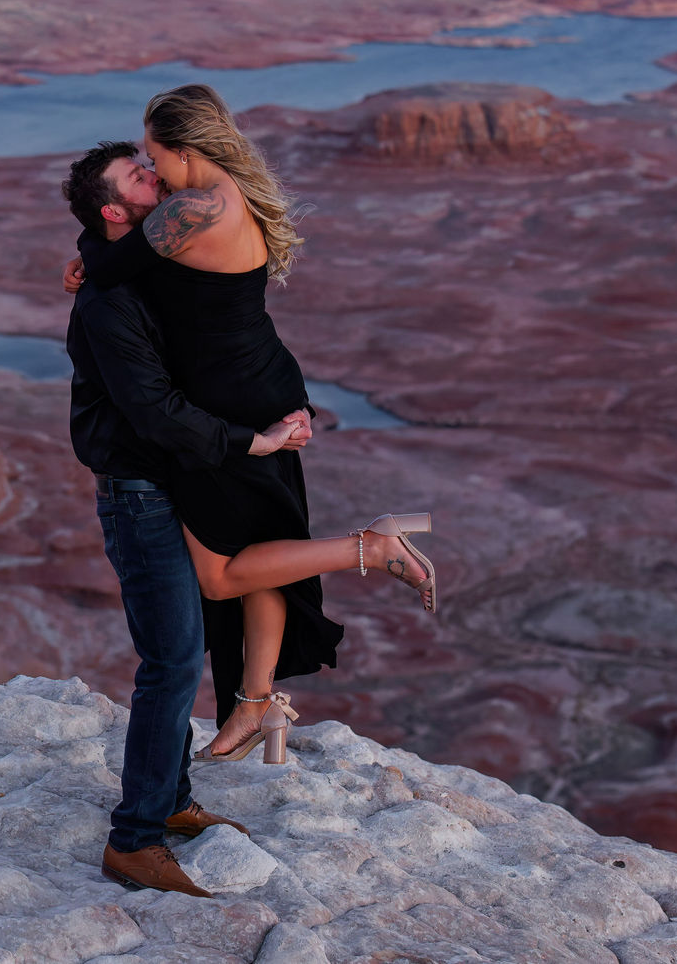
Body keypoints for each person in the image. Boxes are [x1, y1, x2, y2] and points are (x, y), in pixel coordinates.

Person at [72, 85, 438, 765]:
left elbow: (114, 260)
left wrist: (84, 256)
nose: (151, 166)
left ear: (184, 153)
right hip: (256, 383)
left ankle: (372, 546)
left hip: (232, 404)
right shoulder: (227, 188)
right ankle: (256, 702)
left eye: (153, 155)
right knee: (263, 543)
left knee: (219, 576)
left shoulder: (193, 205)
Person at [62, 139, 316, 897]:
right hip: (139, 489)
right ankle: (134, 839)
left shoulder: (135, 259)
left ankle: (169, 801)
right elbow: (156, 411)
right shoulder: (109, 305)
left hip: (168, 481)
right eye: (142, 176)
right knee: (169, 661)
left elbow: (109, 245)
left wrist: (86, 248)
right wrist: (254, 439)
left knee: (187, 649)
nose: (160, 178)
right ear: (118, 209)